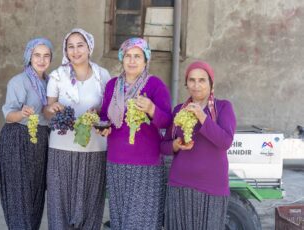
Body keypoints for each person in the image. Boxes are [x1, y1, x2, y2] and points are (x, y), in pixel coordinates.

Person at [99, 38, 172, 230]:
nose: (132, 61)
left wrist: (151, 109)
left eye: (137, 56)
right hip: (116, 163)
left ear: (146, 60)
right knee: (120, 220)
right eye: (128, 56)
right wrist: (102, 126)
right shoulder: (112, 85)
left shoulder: (155, 85)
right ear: (122, 59)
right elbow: (104, 115)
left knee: (142, 221)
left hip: (146, 166)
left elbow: (167, 121)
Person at [43, 28, 110, 230]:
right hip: (61, 150)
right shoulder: (57, 76)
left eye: (80, 45)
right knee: (59, 208)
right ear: (66, 50)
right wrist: (52, 109)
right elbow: (47, 111)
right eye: (70, 46)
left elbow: (108, 110)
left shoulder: (103, 76)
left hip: (94, 151)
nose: (75, 51)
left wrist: (97, 111)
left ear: (89, 47)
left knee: (90, 208)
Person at [161, 61, 237, 230]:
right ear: (186, 83)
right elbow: (164, 146)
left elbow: (225, 142)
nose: (196, 85)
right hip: (180, 185)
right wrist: (175, 144)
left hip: (212, 188)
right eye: (191, 80)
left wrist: (202, 117)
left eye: (202, 80)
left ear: (211, 83)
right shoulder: (179, 110)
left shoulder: (223, 107)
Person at [0, 38, 53, 230]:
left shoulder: (51, 82)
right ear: (29, 56)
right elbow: (8, 116)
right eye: (37, 55)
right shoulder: (19, 81)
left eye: (46, 55)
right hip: (17, 139)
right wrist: (22, 113)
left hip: (40, 141)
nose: (41, 59)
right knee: (19, 194)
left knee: (36, 193)